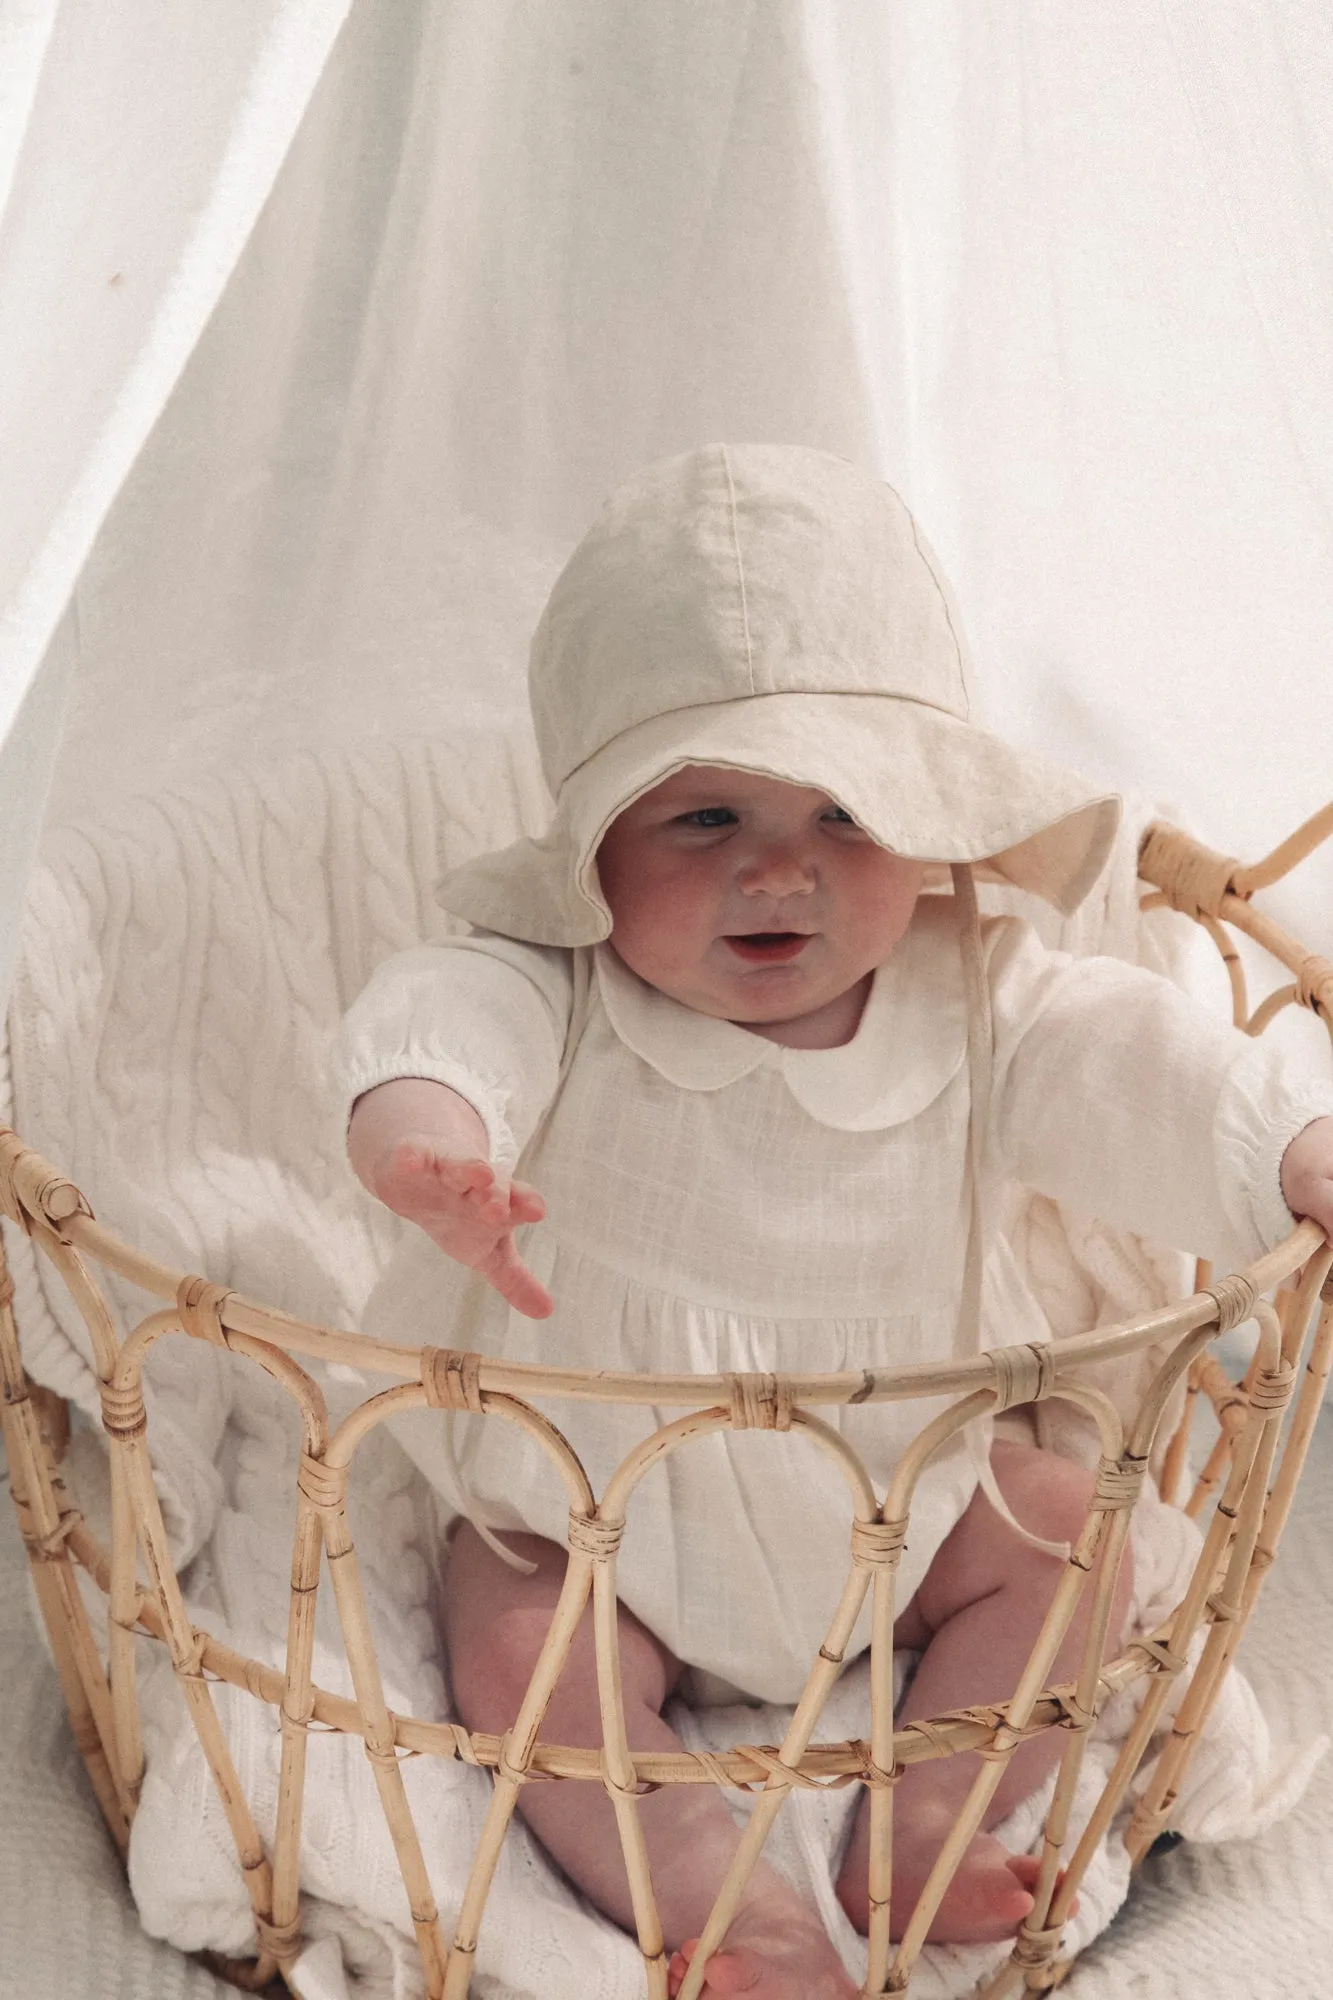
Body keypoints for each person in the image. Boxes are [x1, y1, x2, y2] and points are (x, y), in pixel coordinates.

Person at [332, 445, 1333, 1999]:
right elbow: (436, 1020)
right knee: (521, 1655)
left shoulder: (984, 995)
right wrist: (430, 1145)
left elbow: (1149, 1071)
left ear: (930, 831)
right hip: (606, 1508)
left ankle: (926, 1811)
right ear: (592, 851)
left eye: (844, 815)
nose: (778, 868)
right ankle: (711, 1891)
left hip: (909, 1494)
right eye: (704, 819)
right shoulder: (560, 985)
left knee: (1082, 1545)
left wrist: (1295, 1146)